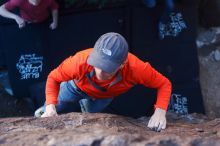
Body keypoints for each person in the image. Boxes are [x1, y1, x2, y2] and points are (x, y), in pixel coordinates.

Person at [35, 32, 172, 132]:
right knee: (50, 108)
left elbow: (164, 83)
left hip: (103, 96)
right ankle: (43, 111)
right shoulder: (80, 60)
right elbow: (53, 77)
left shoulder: (136, 68)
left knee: (89, 120)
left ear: (122, 64)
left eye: (108, 68)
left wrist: (160, 110)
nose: (99, 72)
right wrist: (50, 106)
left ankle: (84, 107)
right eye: (97, 63)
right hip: (75, 87)